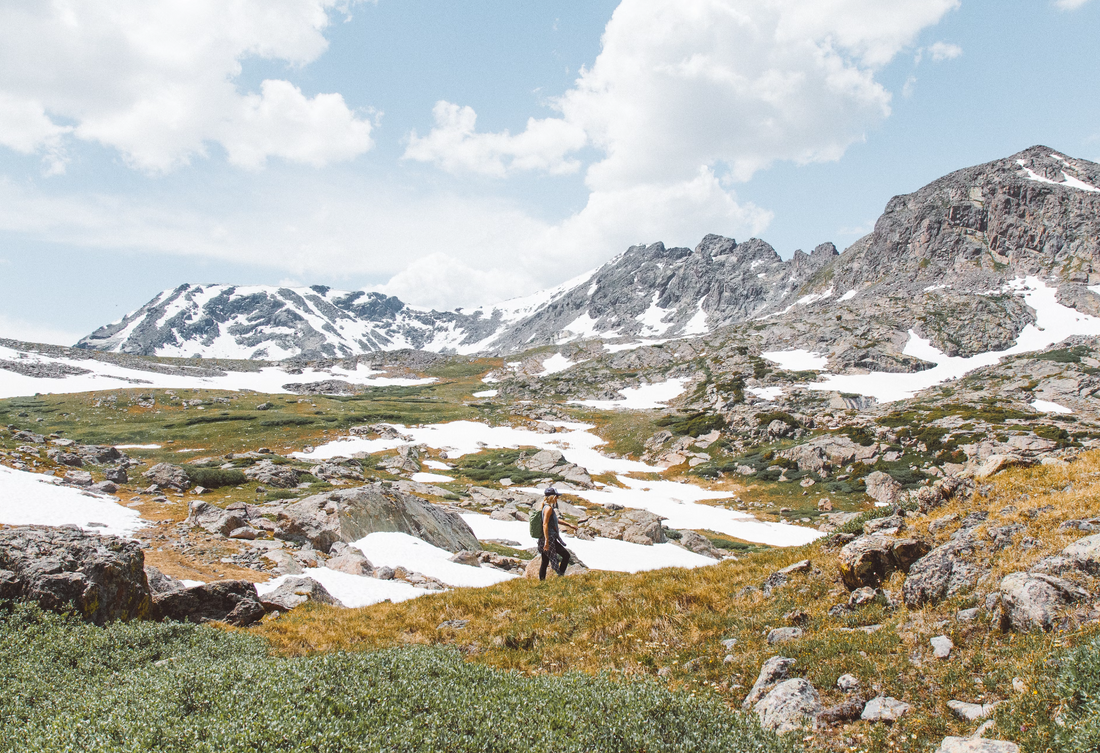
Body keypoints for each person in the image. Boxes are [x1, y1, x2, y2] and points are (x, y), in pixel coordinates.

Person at [538, 487, 576, 580]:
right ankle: (560, 577)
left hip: (544, 538)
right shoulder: (549, 509)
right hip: (549, 538)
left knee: (545, 561)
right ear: (553, 497)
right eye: (556, 496)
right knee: (566, 555)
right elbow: (545, 524)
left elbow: (554, 520)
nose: (557, 498)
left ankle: (542, 582)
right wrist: (547, 541)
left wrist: (569, 525)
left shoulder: (544, 507)